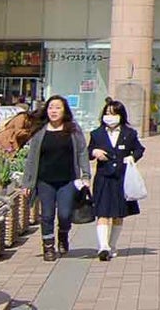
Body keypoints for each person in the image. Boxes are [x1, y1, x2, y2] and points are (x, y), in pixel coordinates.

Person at [83, 99, 146, 260]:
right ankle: (103, 246)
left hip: (121, 178)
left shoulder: (129, 134)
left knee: (118, 214)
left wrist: (132, 157)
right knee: (102, 212)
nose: (109, 117)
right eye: (107, 113)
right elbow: (88, 152)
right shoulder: (97, 133)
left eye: (113, 114)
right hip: (104, 178)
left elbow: (139, 149)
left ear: (120, 116)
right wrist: (95, 152)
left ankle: (112, 244)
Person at [27, 95, 85, 257]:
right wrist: (27, 183)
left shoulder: (72, 129)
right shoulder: (40, 132)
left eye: (58, 107)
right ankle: (48, 247)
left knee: (65, 214)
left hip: (67, 179)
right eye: (51, 107)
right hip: (45, 180)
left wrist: (85, 174)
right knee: (47, 215)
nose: (54, 111)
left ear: (64, 110)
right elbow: (32, 158)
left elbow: (81, 152)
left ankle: (63, 235)